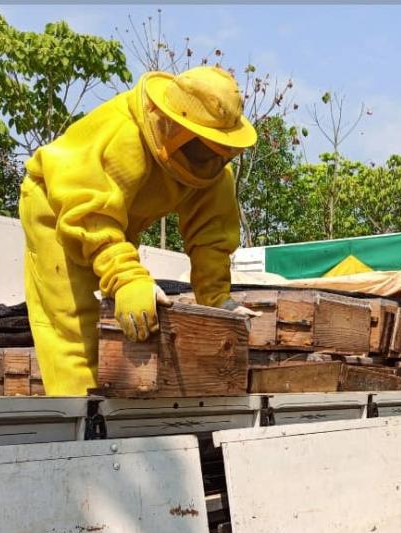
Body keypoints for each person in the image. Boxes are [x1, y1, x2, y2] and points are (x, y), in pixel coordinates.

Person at [20, 66, 257, 395]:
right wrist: (127, 278)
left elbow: (211, 238)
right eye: (202, 148)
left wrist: (217, 300)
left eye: (218, 149)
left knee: (122, 319)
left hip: (115, 218)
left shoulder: (212, 168)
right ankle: (79, 426)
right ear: (170, 123)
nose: (209, 158)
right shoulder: (123, 135)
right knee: (74, 319)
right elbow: (90, 214)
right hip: (58, 203)